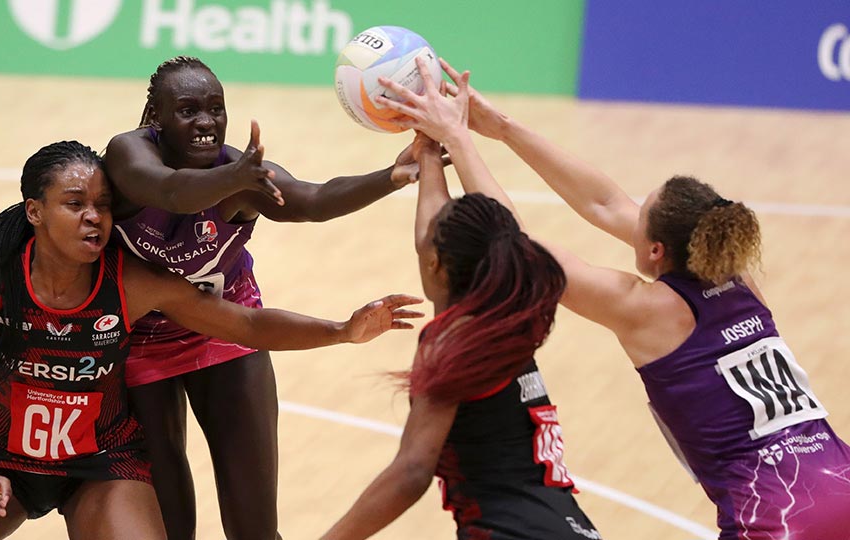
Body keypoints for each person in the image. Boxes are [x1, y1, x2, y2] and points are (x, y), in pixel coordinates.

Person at [377, 56, 850, 539]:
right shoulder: (738, 276)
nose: (631, 208)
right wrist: (500, 127)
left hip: (779, 514)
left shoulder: (647, 310)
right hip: (841, 478)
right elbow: (605, 203)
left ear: (655, 249)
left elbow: (514, 245)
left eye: (642, 212)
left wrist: (458, 138)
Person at [0, 141, 422, 540]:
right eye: (75, 204)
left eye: (101, 204)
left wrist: (343, 330)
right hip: (4, 459)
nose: (94, 217)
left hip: (100, 467)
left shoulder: (131, 281)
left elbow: (247, 326)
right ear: (35, 212)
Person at [103, 55, 429, 540]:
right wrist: (234, 178)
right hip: (137, 343)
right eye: (188, 110)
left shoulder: (241, 175)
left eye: (216, 109)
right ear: (156, 116)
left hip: (230, 328)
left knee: (255, 529)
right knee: (169, 526)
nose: (206, 123)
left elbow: (314, 199)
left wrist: (391, 175)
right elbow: (172, 191)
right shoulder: (129, 156)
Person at [320, 124, 601, 539]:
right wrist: (429, 151)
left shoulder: (452, 340)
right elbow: (435, 237)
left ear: (436, 264)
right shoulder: (508, 309)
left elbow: (413, 471)